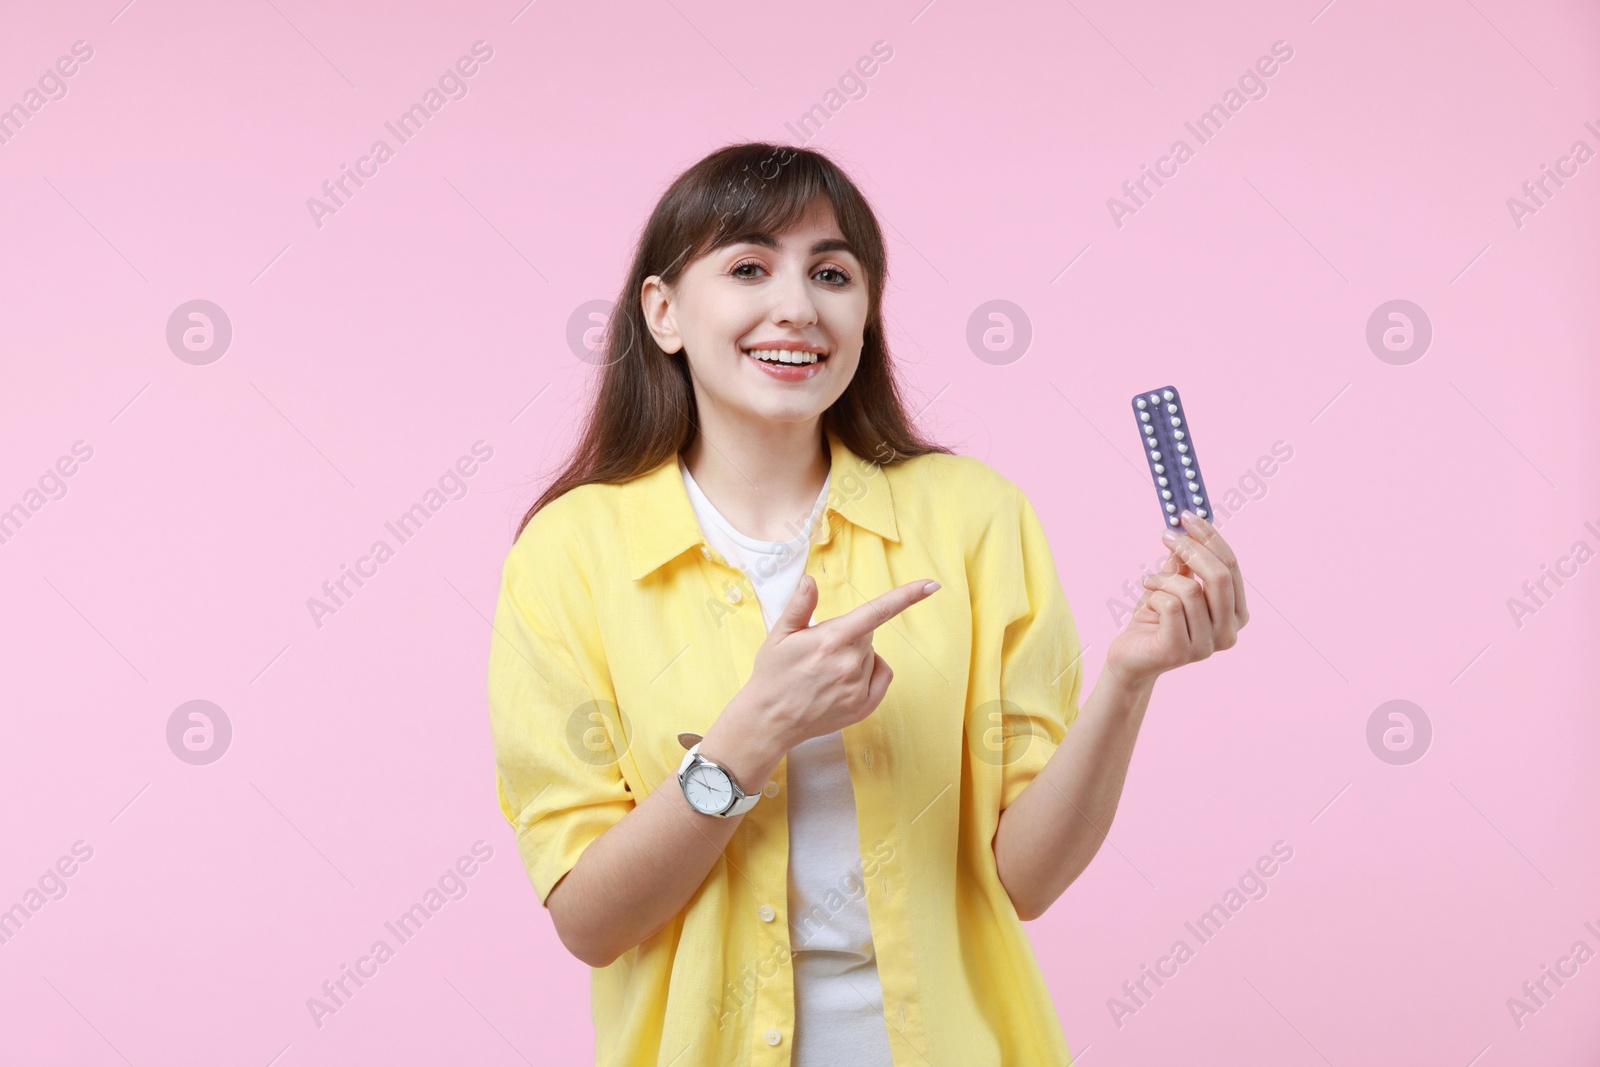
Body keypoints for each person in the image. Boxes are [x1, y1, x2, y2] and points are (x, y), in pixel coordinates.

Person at [485, 141, 1249, 1066]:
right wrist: (752, 735)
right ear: (664, 311)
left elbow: (1027, 878)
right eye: (748, 266)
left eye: (833, 273)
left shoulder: (976, 517)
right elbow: (591, 920)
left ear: (866, 315)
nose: (797, 306)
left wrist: (1131, 677)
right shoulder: (568, 554)